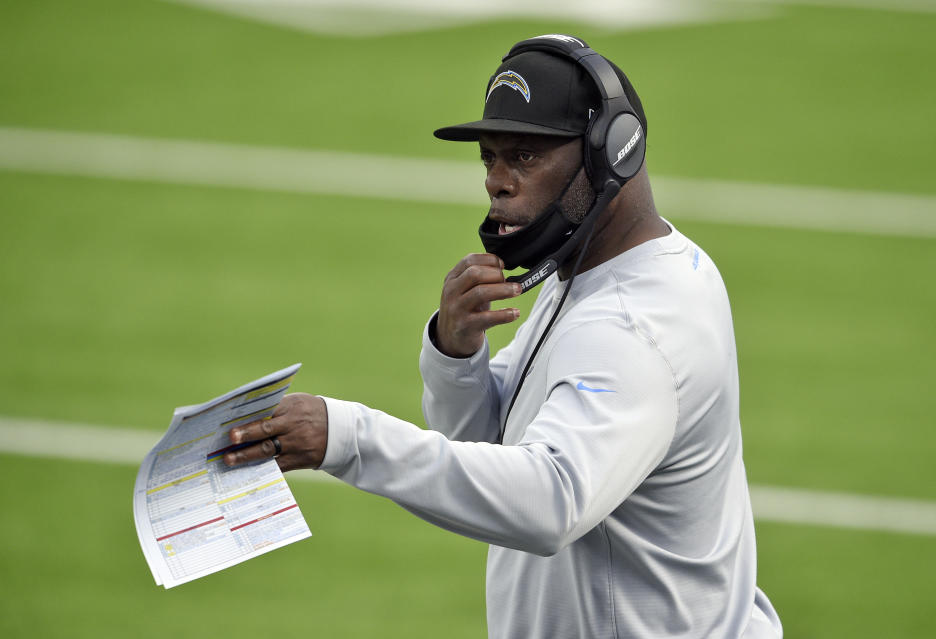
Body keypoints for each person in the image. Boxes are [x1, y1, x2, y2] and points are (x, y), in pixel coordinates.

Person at [224, 34, 783, 638]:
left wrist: (348, 436)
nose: (496, 181)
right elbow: (492, 447)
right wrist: (456, 356)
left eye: (524, 157)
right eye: (489, 157)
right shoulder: (613, 273)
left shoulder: (630, 330)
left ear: (609, 155)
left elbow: (547, 502)